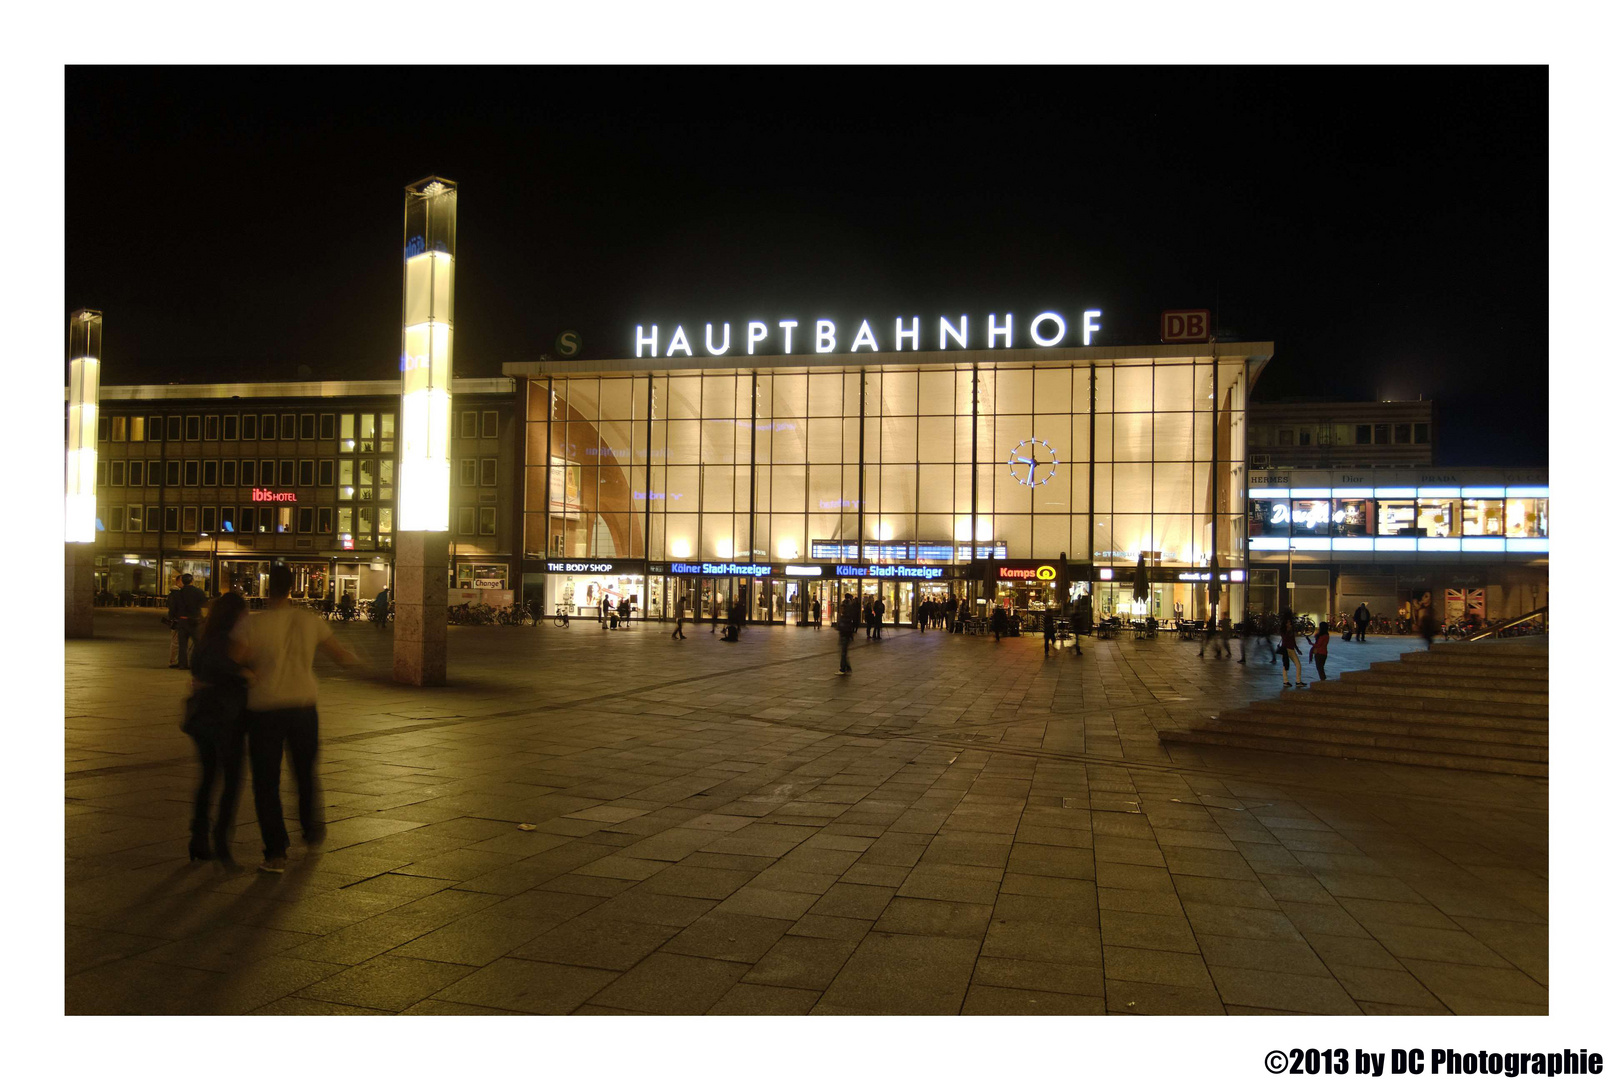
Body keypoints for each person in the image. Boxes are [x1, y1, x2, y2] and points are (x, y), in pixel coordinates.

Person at [237, 563, 358, 873]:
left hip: (265, 709)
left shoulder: (253, 625)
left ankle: (276, 853)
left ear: (267, 589)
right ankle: (312, 830)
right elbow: (341, 657)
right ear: (291, 587)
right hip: (304, 707)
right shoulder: (309, 621)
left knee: (266, 782)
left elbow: (233, 661)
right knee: (305, 774)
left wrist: (249, 671)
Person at [182, 591, 251, 866]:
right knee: (232, 781)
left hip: (201, 719)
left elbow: (198, 673)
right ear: (236, 615)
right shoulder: (225, 643)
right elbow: (227, 672)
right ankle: (221, 841)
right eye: (244, 613)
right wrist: (246, 673)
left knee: (208, 778)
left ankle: (199, 836)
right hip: (225, 720)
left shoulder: (204, 638)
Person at [168, 573, 208, 669]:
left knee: (182, 644)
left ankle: (182, 664)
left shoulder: (178, 593)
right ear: (192, 581)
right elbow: (205, 606)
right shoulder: (199, 592)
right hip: (195, 620)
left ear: (182, 581)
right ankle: (198, 663)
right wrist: (204, 619)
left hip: (182, 620)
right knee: (198, 643)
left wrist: (172, 617)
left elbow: (173, 608)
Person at [1279, 610, 1306, 688]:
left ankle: (1297, 681)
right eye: (1288, 622)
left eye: (1290, 622)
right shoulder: (1284, 631)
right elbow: (1285, 639)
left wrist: (1297, 649)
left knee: (1298, 665)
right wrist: (1288, 630)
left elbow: (1293, 641)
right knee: (1286, 665)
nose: (1289, 624)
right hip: (1286, 649)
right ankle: (1286, 681)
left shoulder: (1291, 630)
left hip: (1291, 649)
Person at [836, 593, 860, 674]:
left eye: (841, 608)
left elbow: (844, 626)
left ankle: (843, 668)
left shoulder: (845, 616)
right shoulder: (850, 608)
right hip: (845, 635)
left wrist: (839, 627)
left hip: (844, 635)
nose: (840, 610)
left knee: (843, 653)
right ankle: (847, 667)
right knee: (843, 652)